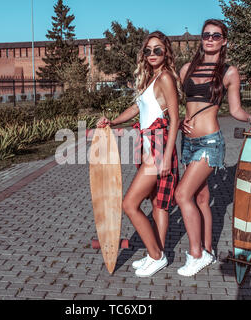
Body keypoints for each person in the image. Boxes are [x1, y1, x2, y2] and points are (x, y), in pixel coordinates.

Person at [175, 19, 251, 277]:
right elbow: (177, 103)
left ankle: (196, 255)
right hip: (188, 141)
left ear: (224, 40)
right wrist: (180, 120)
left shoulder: (229, 72)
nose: (210, 39)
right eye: (206, 35)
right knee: (202, 198)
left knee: (182, 195)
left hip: (210, 142)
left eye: (216, 36)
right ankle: (207, 250)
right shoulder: (186, 69)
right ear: (201, 38)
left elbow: (235, 109)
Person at [96, 31, 181, 277]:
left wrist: (165, 157)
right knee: (157, 204)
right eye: (148, 50)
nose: (152, 54)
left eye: (158, 50)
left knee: (129, 204)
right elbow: (136, 108)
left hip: (159, 146)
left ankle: (157, 256)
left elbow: (174, 119)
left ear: (166, 52)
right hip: (148, 145)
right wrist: (112, 121)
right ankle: (155, 253)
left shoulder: (165, 78)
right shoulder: (150, 79)